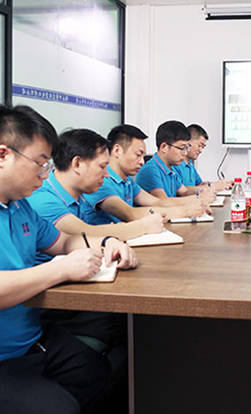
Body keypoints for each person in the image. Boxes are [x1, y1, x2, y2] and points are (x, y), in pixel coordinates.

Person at [0, 104, 137, 414]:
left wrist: (109, 242)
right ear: (3, 155)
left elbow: (63, 241)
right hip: (5, 355)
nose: (44, 174)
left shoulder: (20, 206)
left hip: (31, 338)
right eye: (39, 163)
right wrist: (62, 270)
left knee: (99, 371)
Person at [27, 128, 165, 244]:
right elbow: (85, 234)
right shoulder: (43, 198)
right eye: (102, 166)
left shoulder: (79, 193)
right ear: (77, 164)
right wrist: (143, 226)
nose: (106, 174)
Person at [84, 124, 210, 225]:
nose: (142, 162)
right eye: (138, 155)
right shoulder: (101, 181)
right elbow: (130, 214)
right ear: (117, 151)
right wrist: (184, 211)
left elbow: (157, 202)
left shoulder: (127, 181)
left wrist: (197, 201)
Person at [136, 120, 216, 201]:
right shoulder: (151, 170)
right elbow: (164, 202)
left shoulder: (171, 170)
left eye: (187, 148)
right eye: (182, 148)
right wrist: (199, 198)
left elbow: (184, 192)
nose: (185, 153)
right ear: (164, 147)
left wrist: (201, 191)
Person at [172, 124, 232, 192]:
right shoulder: (176, 164)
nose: (200, 150)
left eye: (202, 147)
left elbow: (200, 184)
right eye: (199, 145)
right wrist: (212, 187)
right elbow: (181, 190)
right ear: (188, 142)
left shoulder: (190, 164)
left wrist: (222, 184)